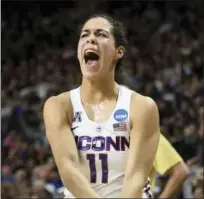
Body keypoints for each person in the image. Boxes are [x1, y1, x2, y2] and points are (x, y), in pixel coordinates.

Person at [43, 14, 160, 198]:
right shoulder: (59, 105)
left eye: (101, 34)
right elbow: (69, 169)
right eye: (85, 35)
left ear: (118, 52)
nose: (90, 38)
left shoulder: (141, 106)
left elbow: (135, 178)